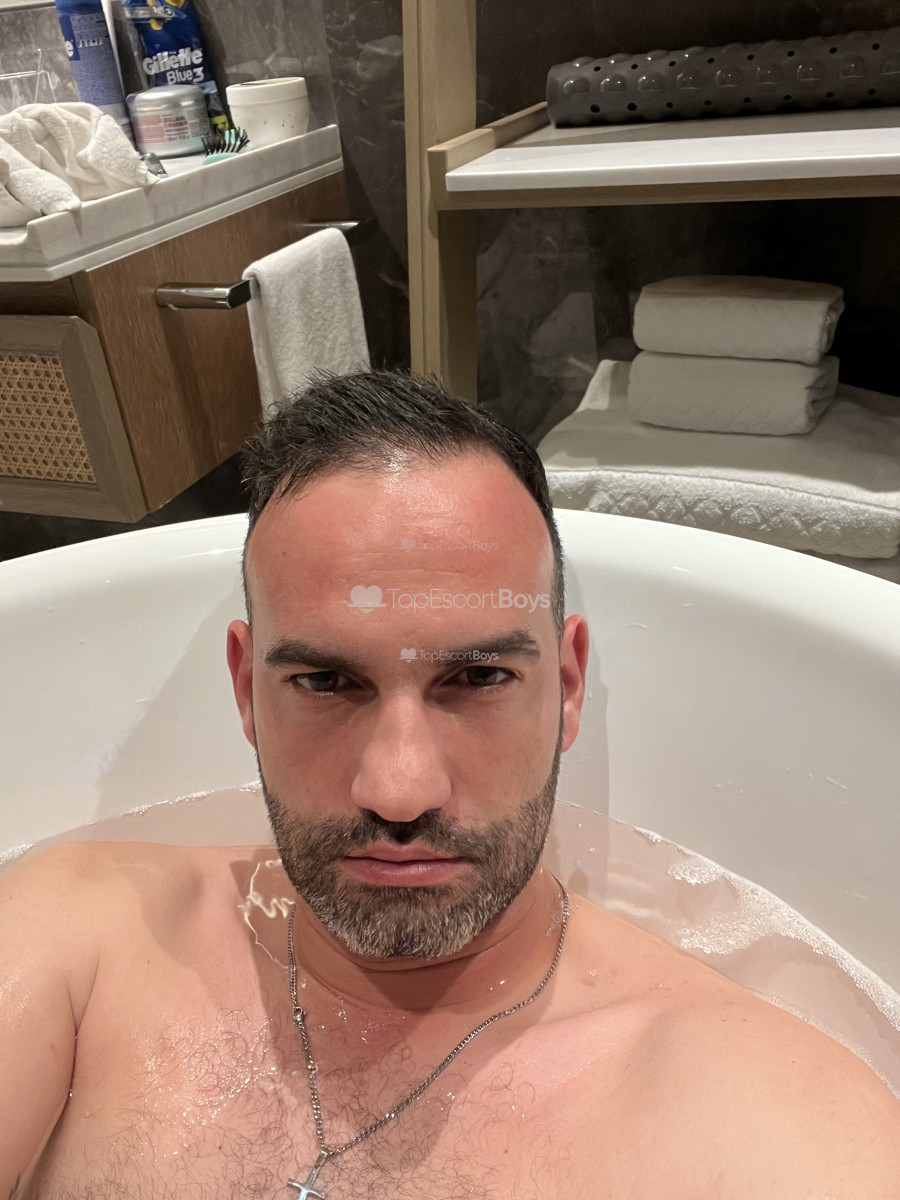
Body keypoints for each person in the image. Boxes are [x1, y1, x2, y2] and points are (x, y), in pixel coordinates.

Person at [2, 370, 899, 1200]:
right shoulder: (82, 939)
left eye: (476, 679)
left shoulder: (746, 1104)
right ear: (247, 692)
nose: (399, 790)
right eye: (325, 682)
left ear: (567, 687)